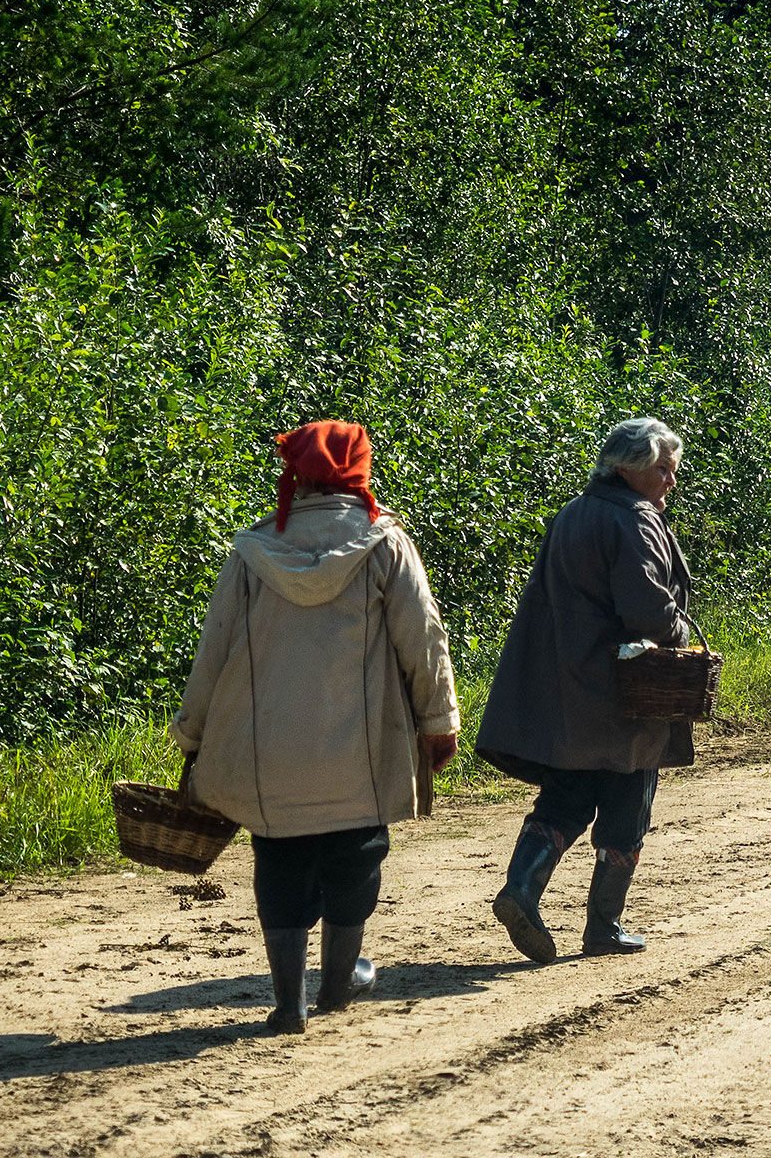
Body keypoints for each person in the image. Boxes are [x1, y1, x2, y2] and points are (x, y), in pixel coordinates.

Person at [168, 421, 459, 1034]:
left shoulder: (252, 553)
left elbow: (213, 652)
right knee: (356, 856)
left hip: (269, 751)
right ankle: (337, 985)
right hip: (361, 747)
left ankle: (288, 1002)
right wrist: (438, 722)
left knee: (280, 858)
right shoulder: (385, 547)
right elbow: (423, 642)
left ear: (295, 475)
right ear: (360, 472)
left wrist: (192, 737)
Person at [475, 417, 695, 963]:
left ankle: (521, 889)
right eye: (663, 469)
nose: (671, 481)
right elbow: (646, 612)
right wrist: (680, 631)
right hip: (626, 688)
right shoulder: (636, 521)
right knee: (629, 799)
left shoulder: (572, 513)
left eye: (673, 470)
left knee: (567, 796)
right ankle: (605, 927)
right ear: (628, 469)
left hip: (566, 687)